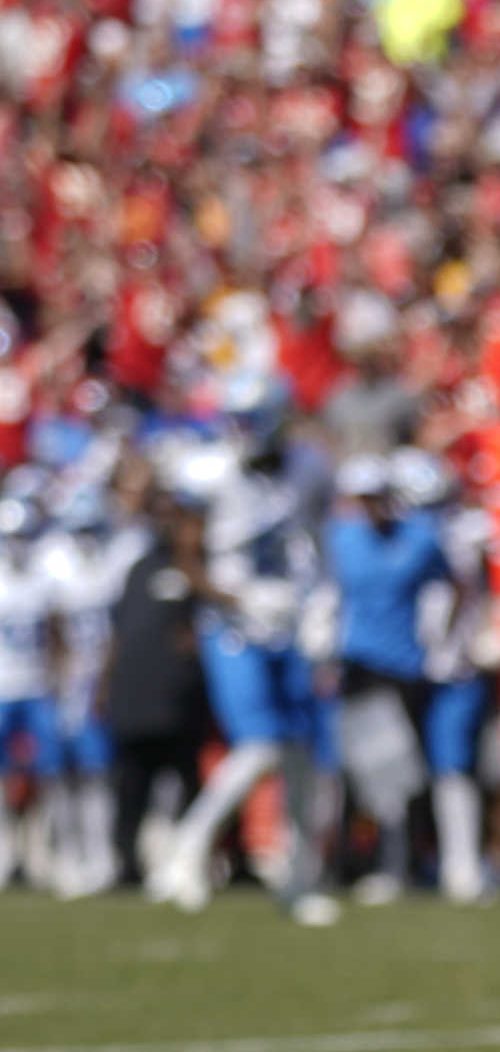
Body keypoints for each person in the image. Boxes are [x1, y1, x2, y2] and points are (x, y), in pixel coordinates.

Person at [151, 377, 341, 927]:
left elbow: (319, 541)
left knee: (304, 755)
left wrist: (323, 607)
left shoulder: (307, 467)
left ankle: (301, 880)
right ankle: (188, 847)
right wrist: (240, 598)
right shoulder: (210, 471)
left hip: (291, 622)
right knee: (260, 746)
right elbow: (186, 560)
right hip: (234, 626)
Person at [324, 456, 452, 905]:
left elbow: (453, 585)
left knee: (400, 775)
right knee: (359, 774)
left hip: (403, 668)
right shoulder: (341, 538)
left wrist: (445, 643)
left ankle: (400, 864)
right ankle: (351, 864)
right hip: (357, 666)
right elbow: (328, 598)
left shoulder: (420, 538)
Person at [393, 450, 493, 903]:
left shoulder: (465, 533)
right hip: (407, 663)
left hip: (453, 667)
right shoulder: (399, 534)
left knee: (452, 762)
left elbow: (460, 589)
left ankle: (462, 864)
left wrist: (451, 646)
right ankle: (401, 863)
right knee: (398, 768)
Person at [104, 489, 214, 889]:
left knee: (188, 786)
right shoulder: (138, 568)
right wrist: (105, 687)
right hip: (135, 696)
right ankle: (126, 865)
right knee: (131, 788)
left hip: (181, 699)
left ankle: (190, 864)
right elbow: (117, 633)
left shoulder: (198, 568)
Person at [40, 483, 137, 896]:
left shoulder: (117, 558)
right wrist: (59, 680)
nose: (85, 538)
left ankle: (100, 854)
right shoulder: (53, 562)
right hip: (64, 681)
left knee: (98, 772)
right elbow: (52, 629)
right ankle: (66, 854)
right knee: (59, 773)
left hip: (102, 678)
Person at [0, 497, 63, 891]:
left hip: (39, 685)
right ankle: (6, 851)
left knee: (50, 772)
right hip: (2, 688)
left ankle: (45, 850)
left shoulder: (45, 578)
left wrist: (60, 677)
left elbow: (59, 635)